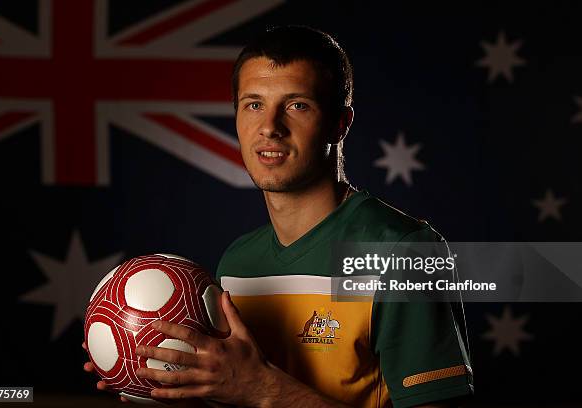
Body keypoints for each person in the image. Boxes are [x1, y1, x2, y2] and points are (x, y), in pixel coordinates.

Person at [84, 25, 473, 407]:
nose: (269, 127)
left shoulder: (403, 253)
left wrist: (266, 390)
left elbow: (256, 389)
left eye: (296, 105)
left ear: (340, 124)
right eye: (254, 104)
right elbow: (236, 393)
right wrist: (168, 385)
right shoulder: (238, 262)